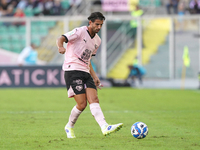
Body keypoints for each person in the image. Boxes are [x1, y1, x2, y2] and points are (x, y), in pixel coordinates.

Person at [56, 12, 123, 138]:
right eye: (97, 24)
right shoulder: (79, 32)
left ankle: (104, 126)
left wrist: (95, 76)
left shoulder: (98, 41)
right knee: (82, 104)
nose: (99, 27)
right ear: (90, 23)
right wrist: (60, 47)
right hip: (72, 70)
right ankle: (69, 126)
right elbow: (61, 38)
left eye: (101, 25)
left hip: (85, 72)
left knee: (94, 99)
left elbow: (88, 60)